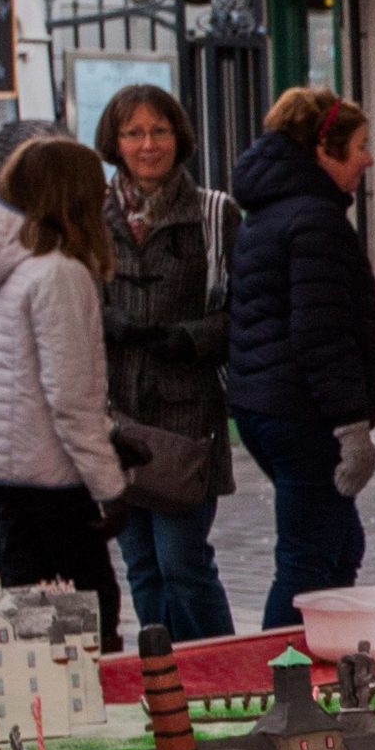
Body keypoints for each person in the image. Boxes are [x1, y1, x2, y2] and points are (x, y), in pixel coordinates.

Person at [226, 87, 375, 630]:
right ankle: (281, 678)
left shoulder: (270, 211)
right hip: (303, 415)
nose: (368, 158)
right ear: (326, 148)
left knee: (339, 543)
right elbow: (322, 333)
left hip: (268, 406)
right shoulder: (315, 220)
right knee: (308, 562)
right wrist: (351, 427)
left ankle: (319, 666)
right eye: (360, 146)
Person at [95, 84, 238, 643]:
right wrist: (100, 321)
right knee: (142, 567)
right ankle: (162, 683)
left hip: (186, 415)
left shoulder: (214, 212)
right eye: (133, 133)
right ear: (115, 141)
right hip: (114, 414)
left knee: (184, 564)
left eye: (158, 130)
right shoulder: (89, 215)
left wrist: (188, 338)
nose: (147, 144)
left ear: (179, 137)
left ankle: (226, 676)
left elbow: (243, 312)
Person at [0, 139, 126, 647]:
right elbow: (70, 400)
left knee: (29, 637)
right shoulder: (59, 274)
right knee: (85, 638)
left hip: (9, 478)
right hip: (52, 486)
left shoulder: (12, 268)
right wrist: (110, 487)